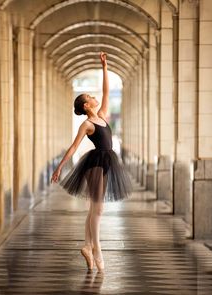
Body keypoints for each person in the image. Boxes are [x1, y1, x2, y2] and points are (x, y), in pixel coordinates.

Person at [50, 52, 133, 272]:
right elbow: (75, 146)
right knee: (98, 210)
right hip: (95, 164)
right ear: (86, 106)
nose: (95, 98)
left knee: (94, 210)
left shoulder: (103, 115)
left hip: (106, 163)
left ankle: (87, 246)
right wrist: (59, 167)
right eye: (90, 97)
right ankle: (97, 249)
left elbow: (106, 91)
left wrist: (105, 66)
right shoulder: (87, 124)